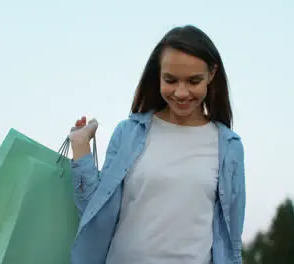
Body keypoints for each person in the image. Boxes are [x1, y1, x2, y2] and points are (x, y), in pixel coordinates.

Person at [68, 25, 246, 264]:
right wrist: (80, 148)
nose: (181, 93)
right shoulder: (129, 133)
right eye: (170, 80)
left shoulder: (229, 148)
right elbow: (94, 214)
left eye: (194, 81)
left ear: (212, 74)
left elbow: (231, 240)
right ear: (158, 75)